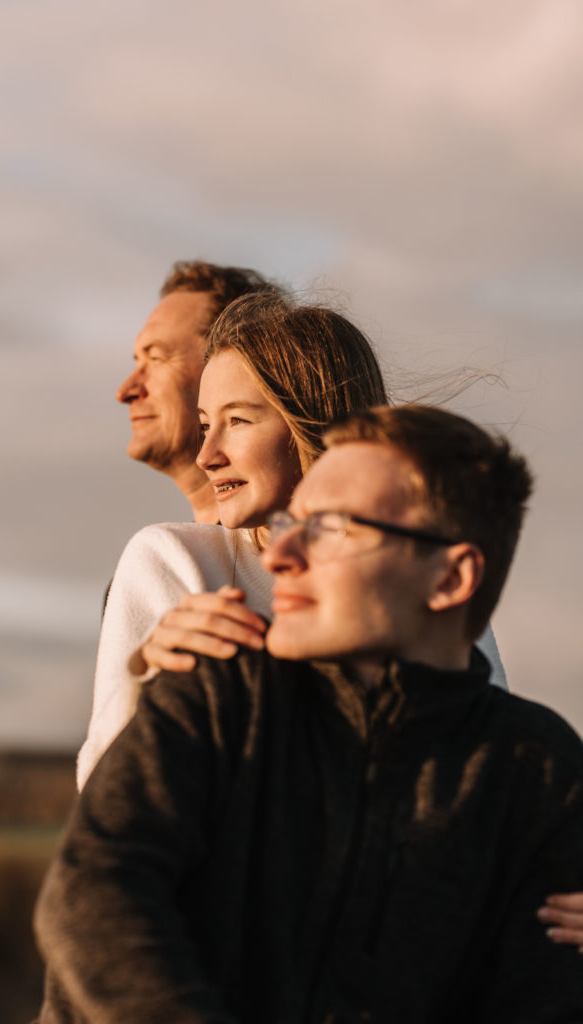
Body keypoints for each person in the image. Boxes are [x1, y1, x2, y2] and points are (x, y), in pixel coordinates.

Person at [35, 404, 583, 1023]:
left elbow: (542, 1000)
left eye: (330, 527)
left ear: (450, 578)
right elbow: (94, 896)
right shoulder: (219, 696)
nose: (281, 554)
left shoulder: (539, 772)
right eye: (292, 522)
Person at [77, 291, 505, 789]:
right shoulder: (173, 562)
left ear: (317, 424)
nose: (207, 455)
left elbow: (484, 780)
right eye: (203, 426)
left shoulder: (426, 576)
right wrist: (147, 686)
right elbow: (105, 796)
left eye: (237, 421)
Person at [116, 260, 282, 523]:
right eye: (138, 362)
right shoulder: (186, 555)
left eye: (156, 358)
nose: (125, 391)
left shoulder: (299, 556)